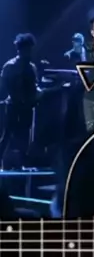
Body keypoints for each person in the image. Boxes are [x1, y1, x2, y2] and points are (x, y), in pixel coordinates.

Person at [0, 33, 40, 169]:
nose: (29, 52)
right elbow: (4, 86)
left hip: (27, 107)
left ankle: (21, 163)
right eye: (27, 49)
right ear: (20, 49)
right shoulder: (10, 66)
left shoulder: (31, 67)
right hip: (13, 105)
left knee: (25, 136)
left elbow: (34, 87)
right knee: (7, 135)